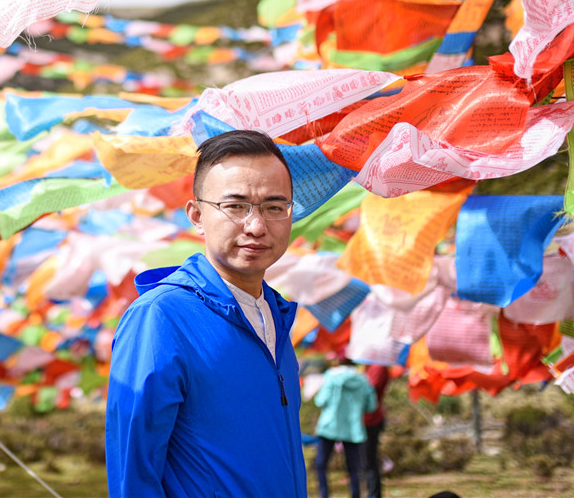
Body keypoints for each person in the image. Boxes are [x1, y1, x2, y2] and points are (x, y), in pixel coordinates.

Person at [106, 129, 307, 498]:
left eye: (275, 207)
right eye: (235, 206)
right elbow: (132, 472)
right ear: (197, 216)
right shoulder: (160, 317)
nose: (257, 226)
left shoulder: (274, 314)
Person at [313, 358, 377, 498]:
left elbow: (320, 401)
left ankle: (324, 494)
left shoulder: (331, 376)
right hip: (353, 429)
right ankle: (356, 495)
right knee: (354, 468)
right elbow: (371, 406)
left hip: (329, 426)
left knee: (321, 464)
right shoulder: (364, 380)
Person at [362, 364, 390, 498]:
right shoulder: (369, 365)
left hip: (372, 420)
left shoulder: (378, 367)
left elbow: (371, 388)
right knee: (365, 461)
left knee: (369, 461)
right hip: (364, 420)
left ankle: (374, 494)